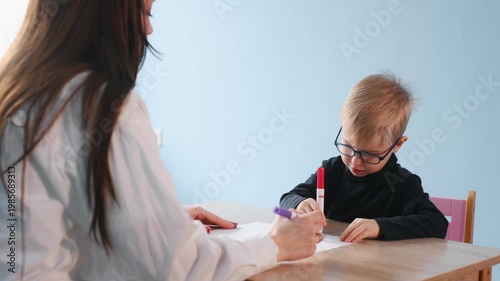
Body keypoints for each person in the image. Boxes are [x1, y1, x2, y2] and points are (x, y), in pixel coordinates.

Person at [0, 1, 326, 280]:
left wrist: (160, 216)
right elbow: (175, 269)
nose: (149, 30)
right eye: (146, 13)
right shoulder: (102, 107)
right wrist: (276, 244)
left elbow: (33, 228)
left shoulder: (15, 93)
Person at [280, 73, 449, 243]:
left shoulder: (401, 183)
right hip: (332, 262)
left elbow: (437, 223)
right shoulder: (333, 170)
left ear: (398, 145)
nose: (355, 162)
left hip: (379, 267)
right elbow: (287, 198)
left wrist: (380, 227)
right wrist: (300, 204)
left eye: (369, 154)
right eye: (348, 146)